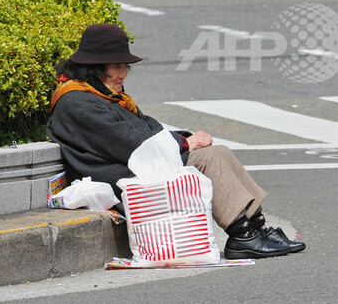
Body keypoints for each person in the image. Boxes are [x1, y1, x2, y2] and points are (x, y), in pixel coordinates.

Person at [47, 23, 305, 259]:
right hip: (119, 178)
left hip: (134, 165)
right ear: (94, 67)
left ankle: (256, 227)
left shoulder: (103, 94)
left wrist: (184, 139)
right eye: (116, 66)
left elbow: (149, 127)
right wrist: (184, 144)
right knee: (208, 158)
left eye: (126, 66)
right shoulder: (77, 102)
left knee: (218, 151)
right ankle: (242, 235)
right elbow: (130, 143)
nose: (123, 73)